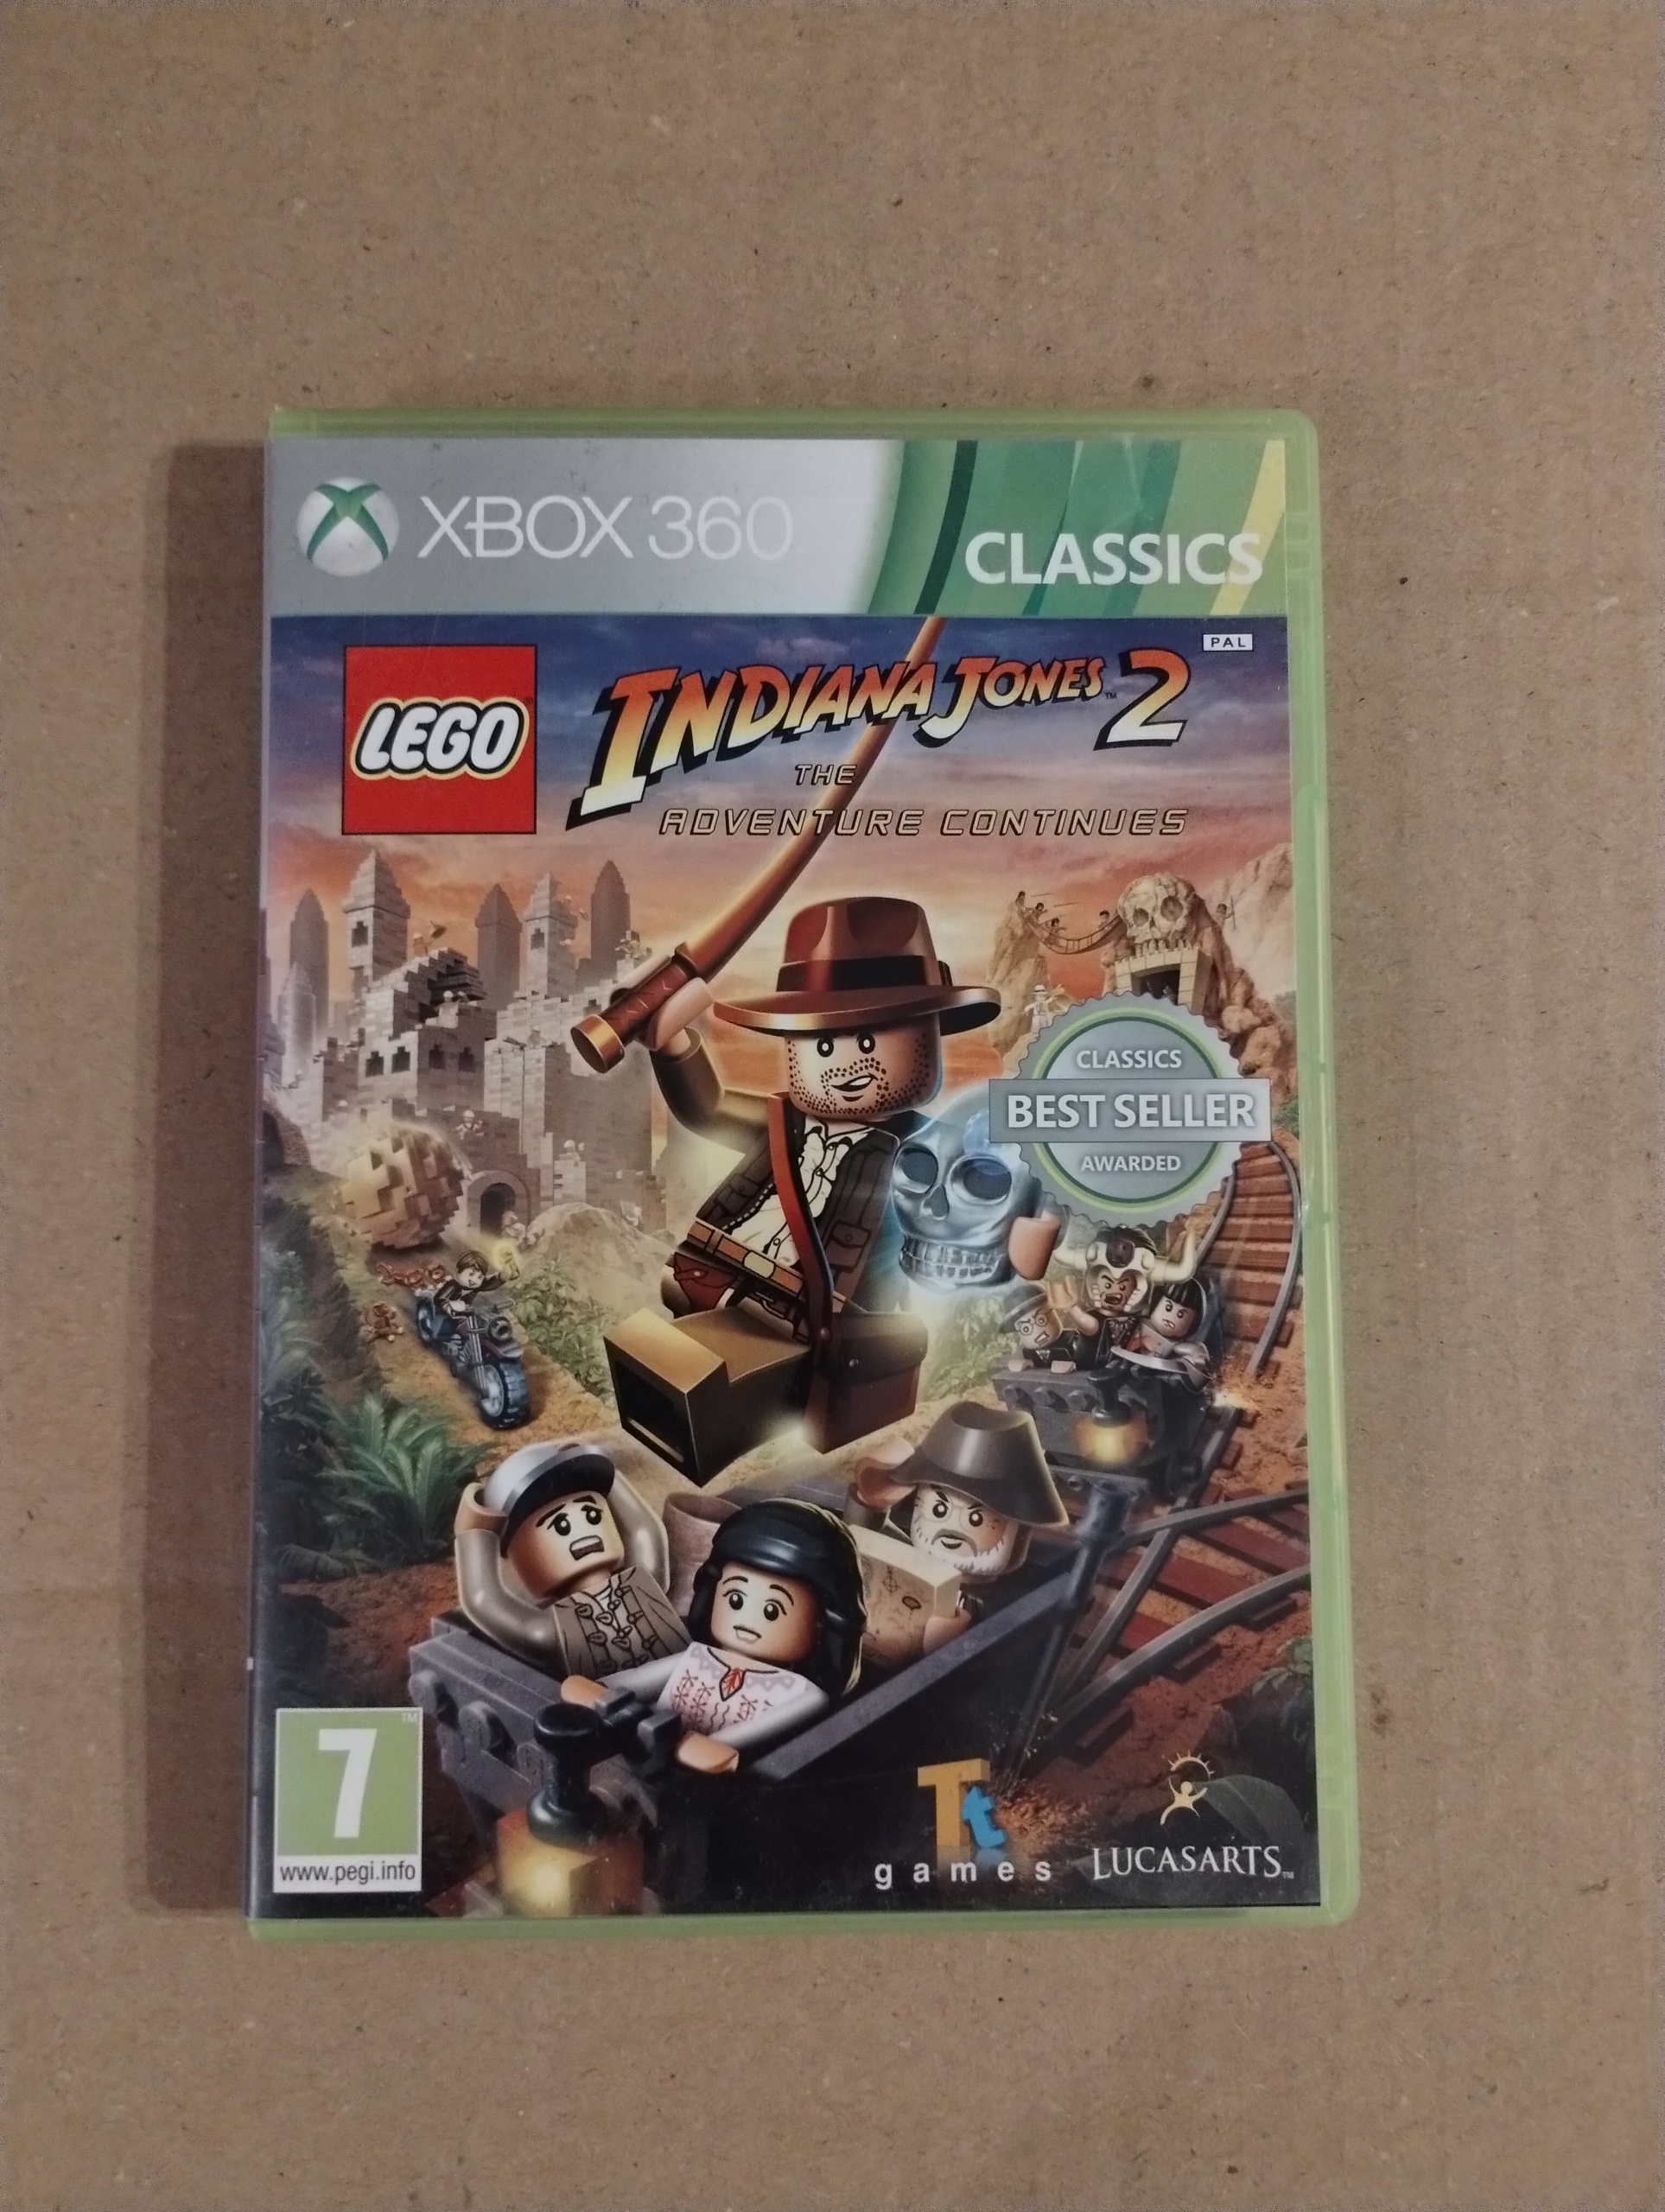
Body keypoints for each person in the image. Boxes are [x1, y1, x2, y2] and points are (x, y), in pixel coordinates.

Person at [561, 1500, 866, 1775]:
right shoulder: (700, 1657)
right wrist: (603, 1690)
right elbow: (637, 1679)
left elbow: (752, 1734)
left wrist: (713, 1745)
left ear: (823, 1623)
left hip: (708, 1777)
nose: (747, 1620)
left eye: (772, 1610)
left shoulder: (802, 1693)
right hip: (641, 1751)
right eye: (736, 1599)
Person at [453, 1440, 686, 1678]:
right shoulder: (556, 1629)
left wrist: (610, 1477)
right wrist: (476, 1533)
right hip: (618, 1699)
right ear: (525, 1562)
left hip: (695, 1678)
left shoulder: (641, 1582)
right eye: (561, 1526)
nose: (583, 1532)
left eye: (592, 1514)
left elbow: (643, 1532)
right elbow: (484, 1600)